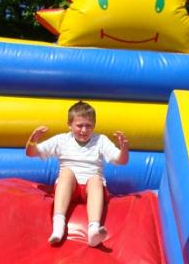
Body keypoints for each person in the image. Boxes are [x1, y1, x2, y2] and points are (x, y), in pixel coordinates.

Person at [25, 100, 129, 247]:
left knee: (95, 179)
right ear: (69, 124)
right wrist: (32, 141)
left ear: (94, 125)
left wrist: (124, 148)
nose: (84, 130)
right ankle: (58, 225)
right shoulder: (62, 140)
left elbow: (121, 161)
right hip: (69, 188)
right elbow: (31, 153)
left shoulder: (100, 140)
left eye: (88, 126)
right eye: (79, 125)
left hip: (91, 190)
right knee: (66, 172)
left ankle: (93, 229)